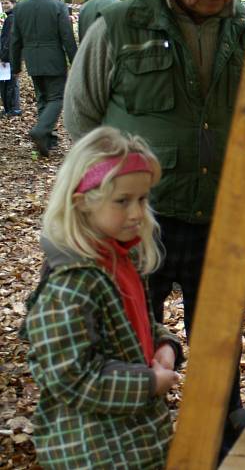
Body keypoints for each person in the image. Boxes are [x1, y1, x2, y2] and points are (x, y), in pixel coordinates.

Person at [62, 0, 245, 458]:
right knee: (130, 345)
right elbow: (82, 119)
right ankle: (128, 450)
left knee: (219, 352)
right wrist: (100, 210)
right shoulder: (121, 26)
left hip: (220, 221)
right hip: (137, 224)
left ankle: (217, 452)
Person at [22, 126, 183, 469]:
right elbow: (71, 378)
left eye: (142, 199)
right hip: (94, 451)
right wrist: (148, 383)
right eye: (123, 201)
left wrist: (166, 345)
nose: (138, 213)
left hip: (136, 442)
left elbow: (133, 327)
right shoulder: (70, 286)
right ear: (82, 203)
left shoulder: (119, 260)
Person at [10, 0, 77, 156]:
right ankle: (41, 131)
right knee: (57, 98)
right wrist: (76, 61)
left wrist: (16, 66)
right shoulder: (58, 6)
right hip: (54, 59)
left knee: (42, 98)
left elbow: (15, 40)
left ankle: (47, 139)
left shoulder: (21, 8)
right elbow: (67, 36)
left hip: (33, 60)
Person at [0, 0, 22, 117]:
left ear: (13, 3)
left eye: (7, 3)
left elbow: (9, 40)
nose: (4, 5)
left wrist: (3, 57)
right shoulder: (11, 17)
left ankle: (13, 109)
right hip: (9, 56)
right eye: (2, 3)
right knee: (5, 82)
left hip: (9, 57)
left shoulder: (12, 18)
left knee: (9, 84)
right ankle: (9, 108)